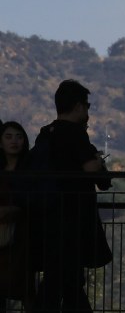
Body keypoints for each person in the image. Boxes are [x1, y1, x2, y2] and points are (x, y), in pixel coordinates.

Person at [31, 79, 112, 313]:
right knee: (63, 279)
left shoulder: (46, 134)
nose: (87, 111)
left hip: (47, 215)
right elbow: (89, 169)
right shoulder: (76, 134)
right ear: (78, 106)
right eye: (86, 105)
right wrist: (98, 161)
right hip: (73, 218)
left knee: (64, 278)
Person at [0, 121, 32, 312]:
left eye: (19, 136)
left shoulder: (30, 169)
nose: (14, 141)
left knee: (23, 282)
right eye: (9, 136)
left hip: (22, 235)